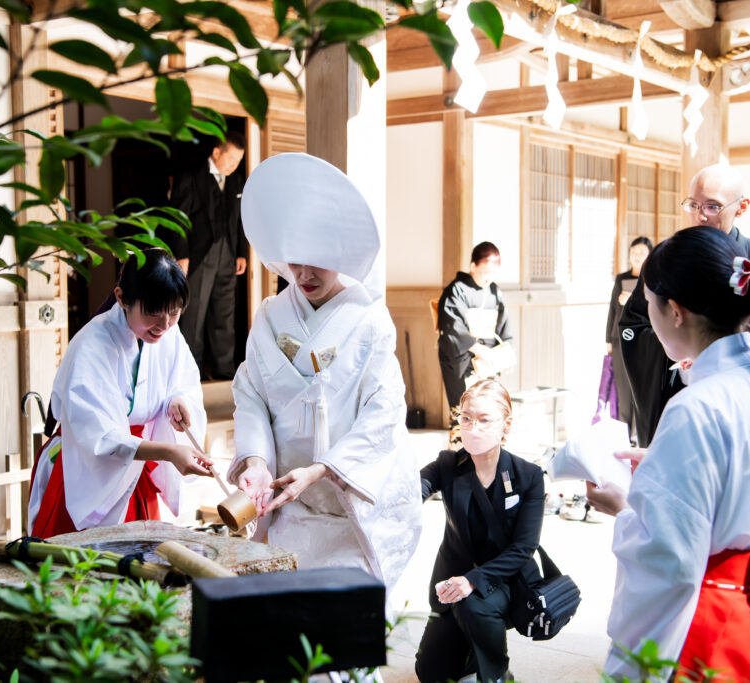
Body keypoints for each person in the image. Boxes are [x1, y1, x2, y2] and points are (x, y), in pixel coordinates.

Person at [587, 226, 750, 682]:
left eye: (649, 304)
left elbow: (669, 561)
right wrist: (665, 470)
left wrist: (626, 509)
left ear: (675, 312)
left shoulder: (696, 409)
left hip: (718, 631)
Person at [226, 153, 421, 597]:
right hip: (288, 500)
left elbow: (384, 411)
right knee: (287, 612)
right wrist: (256, 462)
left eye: (317, 262)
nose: (304, 274)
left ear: (340, 254)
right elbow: (251, 394)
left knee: (344, 619)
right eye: (294, 262)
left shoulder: (370, 320)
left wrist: (321, 470)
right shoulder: (270, 316)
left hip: (346, 498)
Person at [28, 249, 213, 537]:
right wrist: (168, 452)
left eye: (174, 312)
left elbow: (182, 381)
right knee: (82, 560)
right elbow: (99, 436)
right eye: (153, 312)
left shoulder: (168, 334)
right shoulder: (91, 345)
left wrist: (175, 401)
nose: (165, 324)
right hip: (87, 474)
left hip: (135, 470)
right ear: (122, 298)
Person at [618, 164, 750, 447]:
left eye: (712, 206)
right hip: (676, 388)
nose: (700, 215)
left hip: (744, 398)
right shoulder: (669, 258)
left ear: (741, 207)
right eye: (692, 204)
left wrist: (707, 351)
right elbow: (635, 323)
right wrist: (682, 353)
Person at [415, 380, 545, 683]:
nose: (473, 427)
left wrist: (473, 580)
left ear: (506, 424)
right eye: (466, 418)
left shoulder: (528, 476)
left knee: (474, 605)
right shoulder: (447, 464)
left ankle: (497, 671)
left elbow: (524, 547)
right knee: (430, 672)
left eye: (484, 419)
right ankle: (472, 650)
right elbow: (413, 489)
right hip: (451, 583)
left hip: (503, 582)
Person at [168, 131, 248, 380]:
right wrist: (182, 254)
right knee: (194, 316)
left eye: (238, 161)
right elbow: (178, 218)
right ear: (216, 152)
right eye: (231, 159)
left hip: (227, 255)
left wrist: (241, 253)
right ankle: (193, 373)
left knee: (225, 315)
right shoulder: (191, 176)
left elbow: (240, 220)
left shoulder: (236, 181)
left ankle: (225, 370)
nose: (234, 166)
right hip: (198, 256)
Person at [437, 242, 514, 448]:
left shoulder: (494, 291)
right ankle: (460, 454)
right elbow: (453, 328)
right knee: (463, 412)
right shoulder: (457, 290)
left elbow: (504, 328)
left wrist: (505, 357)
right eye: (485, 271)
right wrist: (479, 351)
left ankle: (489, 453)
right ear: (472, 266)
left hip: (488, 363)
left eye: (493, 273)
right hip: (462, 360)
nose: (489, 277)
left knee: (490, 410)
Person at [605, 236, 652, 439]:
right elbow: (612, 309)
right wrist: (608, 339)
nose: (637, 256)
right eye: (634, 252)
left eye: (641, 253)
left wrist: (631, 299)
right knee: (622, 387)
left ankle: (637, 432)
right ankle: (623, 433)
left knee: (639, 386)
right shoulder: (621, 278)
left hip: (642, 340)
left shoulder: (651, 279)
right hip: (619, 340)